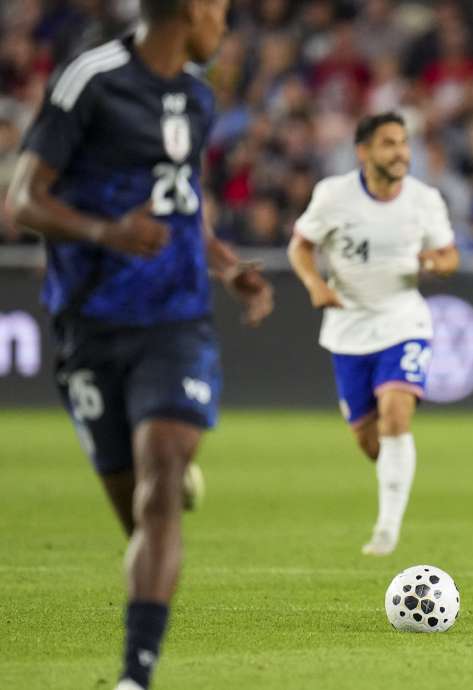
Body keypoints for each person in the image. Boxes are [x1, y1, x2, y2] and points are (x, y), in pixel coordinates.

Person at [4, 1, 273, 688]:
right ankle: (167, 466)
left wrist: (226, 267)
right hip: (91, 323)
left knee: (157, 490)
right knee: (137, 510)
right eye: (218, 9)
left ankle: (135, 676)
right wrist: (106, 233)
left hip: (177, 319)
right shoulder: (91, 80)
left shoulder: (196, 96)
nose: (225, 24)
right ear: (187, 10)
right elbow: (24, 198)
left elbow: (184, 199)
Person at [288, 111, 458, 557]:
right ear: (363, 152)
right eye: (388, 143)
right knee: (370, 440)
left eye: (403, 142)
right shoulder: (333, 195)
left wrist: (438, 264)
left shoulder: (424, 199)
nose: (401, 152)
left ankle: (386, 528)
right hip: (347, 327)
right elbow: (300, 245)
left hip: (404, 321)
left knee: (396, 414)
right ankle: (395, 486)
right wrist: (315, 285)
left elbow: (448, 254)